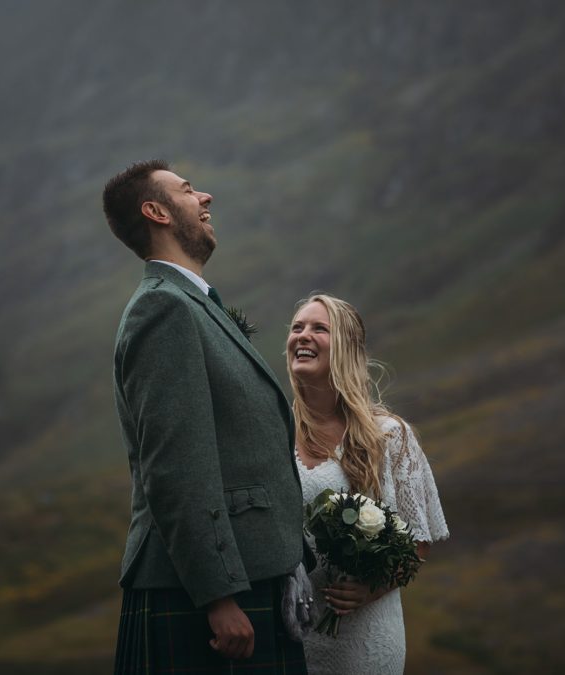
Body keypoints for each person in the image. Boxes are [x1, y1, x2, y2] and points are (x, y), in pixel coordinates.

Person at [102, 160, 308, 674]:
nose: (206, 197)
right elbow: (175, 466)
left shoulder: (192, 304)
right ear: (157, 212)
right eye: (188, 190)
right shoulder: (164, 310)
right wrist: (218, 596)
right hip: (208, 594)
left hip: (243, 577)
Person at [286, 293, 449, 675]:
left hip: (362, 637)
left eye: (319, 329)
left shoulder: (390, 436)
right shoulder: (274, 432)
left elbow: (419, 542)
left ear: (346, 348)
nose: (303, 336)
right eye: (297, 328)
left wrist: (370, 590)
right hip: (287, 633)